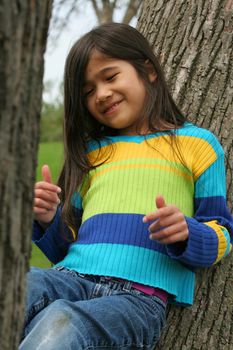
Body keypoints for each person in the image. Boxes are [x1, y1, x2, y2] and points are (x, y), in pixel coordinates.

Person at [20, 23, 233, 350]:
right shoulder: (91, 154)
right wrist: (49, 218)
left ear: (148, 70)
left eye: (110, 77)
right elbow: (66, 245)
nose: (101, 94)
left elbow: (222, 231)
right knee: (19, 286)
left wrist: (188, 232)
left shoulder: (198, 145)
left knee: (60, 323)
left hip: (136, 299)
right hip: (71, 278)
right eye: (87, 91)